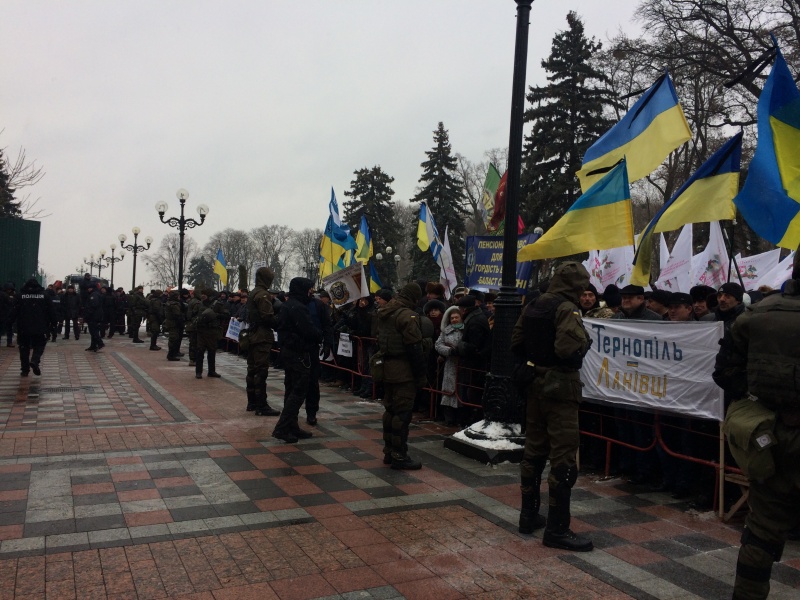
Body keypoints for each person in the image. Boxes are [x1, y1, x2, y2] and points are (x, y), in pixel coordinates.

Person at [713, 249, 800, 600]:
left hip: (771, 436)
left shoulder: (756, 314)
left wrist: (759, 405)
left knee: (760, 533)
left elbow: (725, 372)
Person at [512, 261, 593, 552]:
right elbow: (569, 350)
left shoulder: (534, 305)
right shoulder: (566, 309)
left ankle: (528, 515)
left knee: (534, 450)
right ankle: (558, 529)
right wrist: (585, 344)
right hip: (560, 390)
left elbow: (516, 341)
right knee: (563, 456)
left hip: (534, 385)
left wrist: (536, 362)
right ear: (577, 285)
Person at [375, 282, 427, 469]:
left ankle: (389, 451)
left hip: (386, 368)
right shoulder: (407, 315)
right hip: (404, 371)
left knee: (389, 411)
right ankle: (399, 455)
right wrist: (421, 375)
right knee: (402, 414)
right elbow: (414, 348)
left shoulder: (385, 312)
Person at [272, 277, 322, 443]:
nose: (312, 292)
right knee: (298, 391)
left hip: (290, 352)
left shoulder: (289, 304)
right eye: (310, 289)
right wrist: (318, 335)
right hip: (298, 353)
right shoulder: (297, 307)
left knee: (291, 389)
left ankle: (291, 426)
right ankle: (282, 427)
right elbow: (308, 330)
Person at [245, 267, 281, 416]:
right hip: (261, 336)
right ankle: (261, 405)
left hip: (252, 335)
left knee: (252, 369)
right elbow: (267, 317)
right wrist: (280, 321)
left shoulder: (253, 292)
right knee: (261, 371)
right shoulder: (263, 294)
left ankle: (252, 402)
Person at [10, 278, 56, 376]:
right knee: (39, 345)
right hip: (40, 326)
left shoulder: (20, 296)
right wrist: (54, 323)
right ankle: (35, 360)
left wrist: (10, 322)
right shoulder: (44, 295)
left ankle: (25, 369)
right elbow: (51, 311)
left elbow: (13, 311)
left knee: (24, 348)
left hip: (23, 326)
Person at [435, 305, 463, 426]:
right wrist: (449, 351)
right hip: (450, 364)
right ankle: (449, 418)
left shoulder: (466, 330)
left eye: (457, 317)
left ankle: (460, 417)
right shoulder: (445, 331)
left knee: (460, 391)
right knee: (448, 391)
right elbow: (438, 345)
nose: (454, 320)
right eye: (452, 318)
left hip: (462, 364)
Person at [195, 289, 223, 379]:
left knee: (212, 351)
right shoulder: (199, 304)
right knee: (200, 352)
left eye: (205, 294)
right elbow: (192, 315)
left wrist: (214, 315)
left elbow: (226, 314)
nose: (202, 296)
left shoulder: (217, 304)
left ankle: (211, 371)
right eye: (202, 294)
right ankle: (198, 372)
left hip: (212, 331)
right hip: (201, 331)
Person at [163, 290, 184, 361]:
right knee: (174, 338)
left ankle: (173, 353)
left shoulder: (169, 303)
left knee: (174, 338)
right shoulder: (174, 304)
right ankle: (171, 355)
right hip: (174, 323)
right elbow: (177, 314)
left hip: (171, 322)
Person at [84, 283, 104, 352]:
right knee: (93, 331)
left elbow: (93, 305)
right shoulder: (96, 294)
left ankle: (100, 343)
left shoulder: (94, 295)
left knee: (93, 331)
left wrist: (88, 313)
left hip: (94, 316)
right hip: (96, 315)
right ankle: (93, 345)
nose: (88, 289)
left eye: (89, 288)